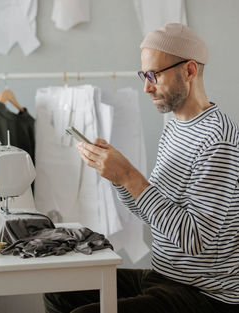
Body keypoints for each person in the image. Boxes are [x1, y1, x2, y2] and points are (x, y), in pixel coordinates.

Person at [44, 23, 239, 313]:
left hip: (205, 294)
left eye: (154, 75)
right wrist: (116, 177)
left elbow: (195, 240)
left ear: (189, 71)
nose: (146, 86)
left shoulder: (218, 139)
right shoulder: (175, 128)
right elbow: (151, 211)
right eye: (144, 75)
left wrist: (130, 176)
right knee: (59, 292)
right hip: (163, 276)